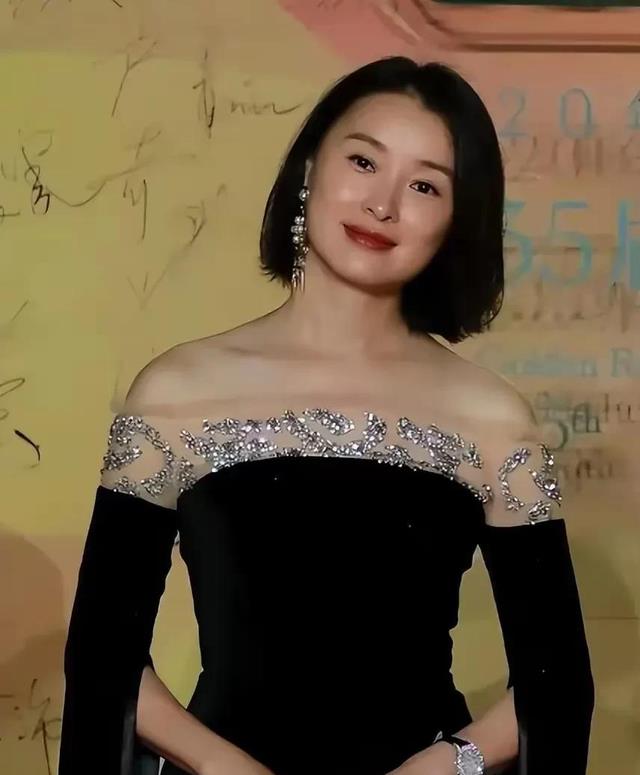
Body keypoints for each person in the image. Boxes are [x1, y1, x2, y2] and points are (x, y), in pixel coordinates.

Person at [57, 56, 595, 775]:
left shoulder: (491, 418)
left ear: (456, 219)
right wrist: (223, 767)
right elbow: (105, 655)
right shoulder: (177, 391)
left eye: (425, 185)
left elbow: (556, 681)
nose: (384, 205)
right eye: (364, 162)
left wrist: (444, 766)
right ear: (310, 166)